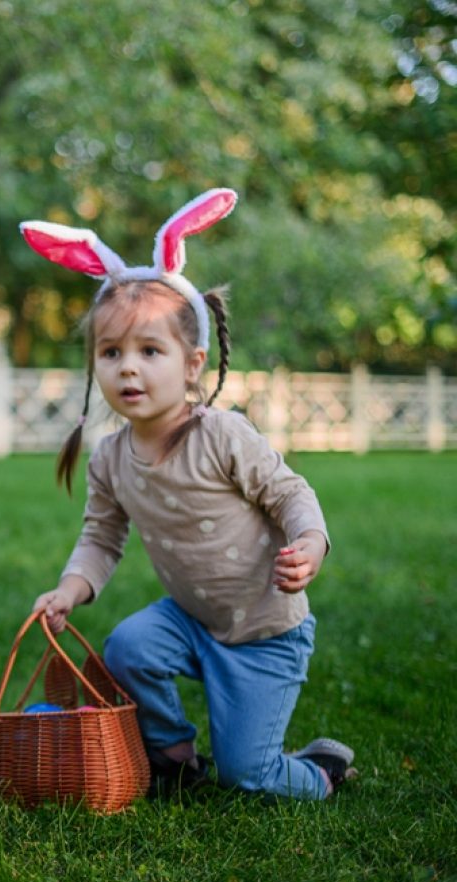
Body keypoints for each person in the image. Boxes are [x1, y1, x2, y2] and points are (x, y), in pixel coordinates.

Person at [20, 189, 355, 800]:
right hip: (191, 619)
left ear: (192, 363)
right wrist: (72, 587)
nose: (129, 369)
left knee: (249, 774)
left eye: (150, 352)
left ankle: (320, 772)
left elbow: (289, 493)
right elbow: (101, 535)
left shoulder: (221, 435)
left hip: (264, 630)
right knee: (127, 647)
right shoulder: (112, 457)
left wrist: (310, 540)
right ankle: (174, 752)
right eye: (111, 352)